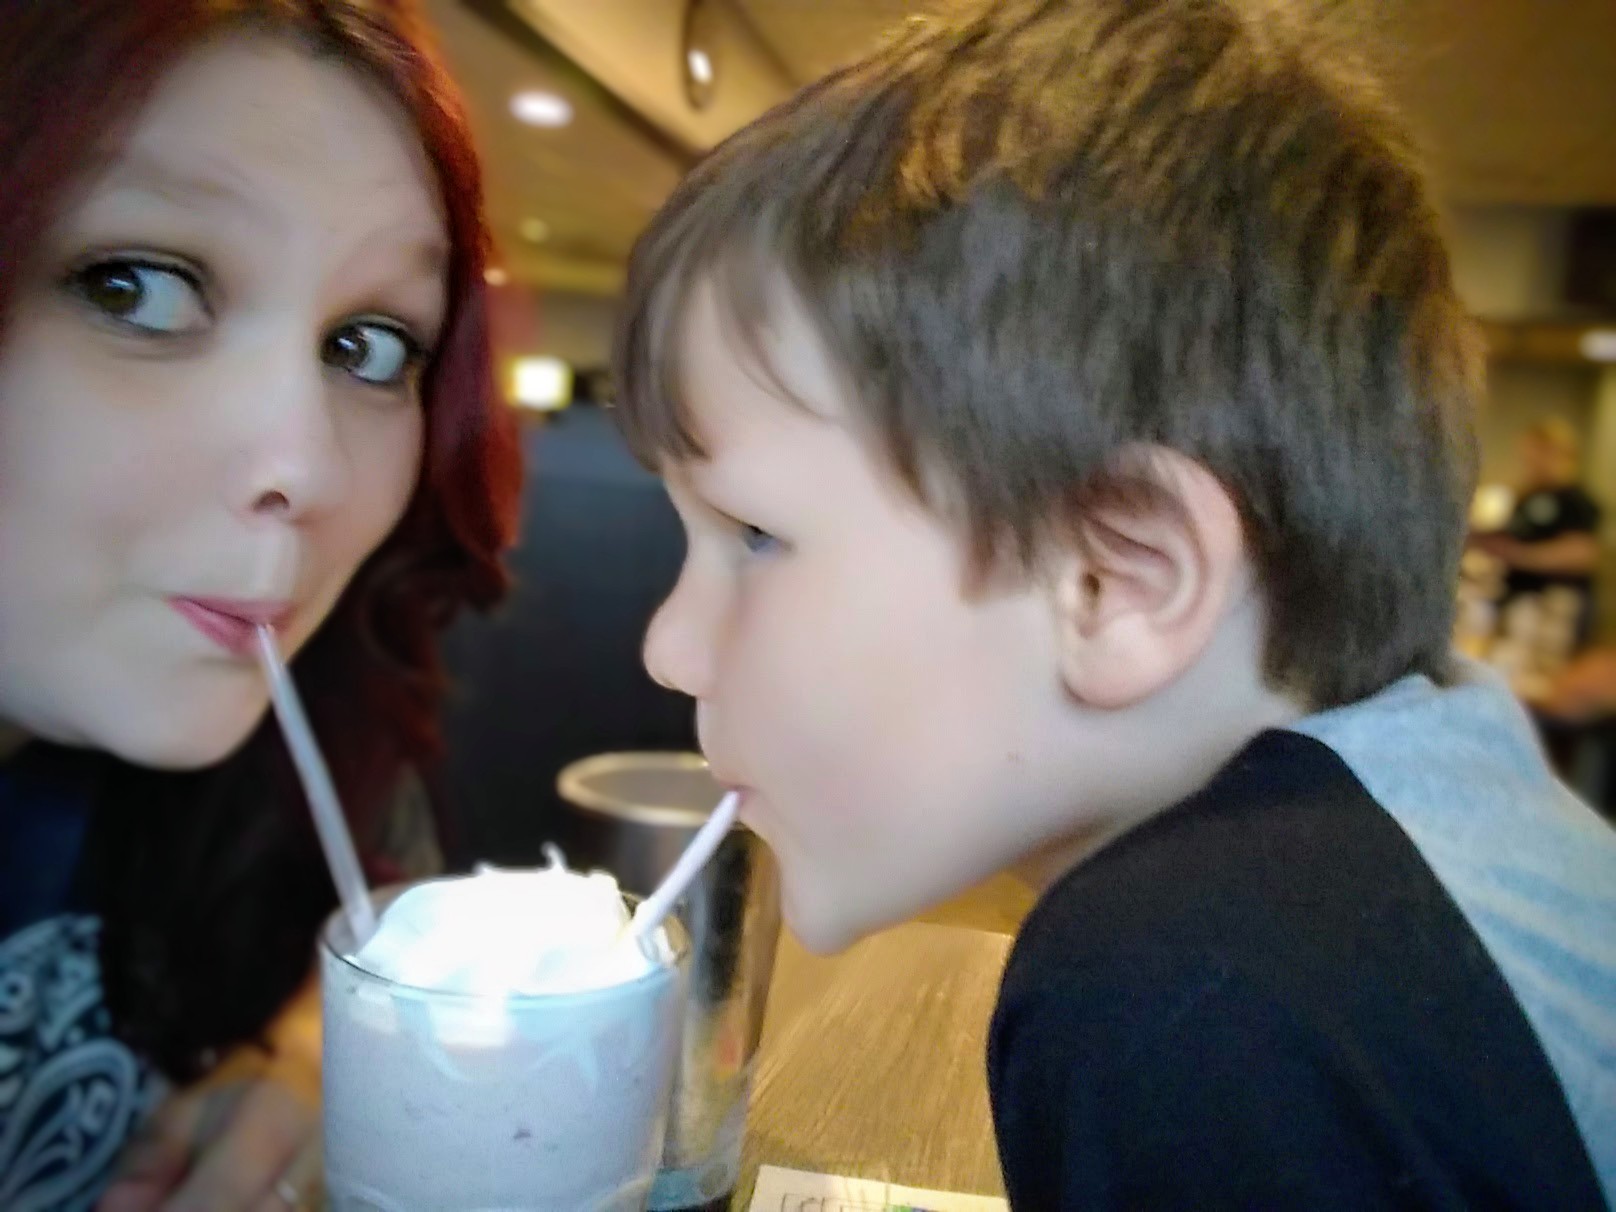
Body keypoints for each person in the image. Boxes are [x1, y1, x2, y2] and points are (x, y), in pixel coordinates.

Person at [611, 0, 1616, 1206]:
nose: (669, 647)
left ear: (1116, 580)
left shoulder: (1193, 993)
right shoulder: (1436, 810)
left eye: (754, 534)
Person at [0, 3, 520, 1209]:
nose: (310, 467)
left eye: (368, 348)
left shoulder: (315, 725)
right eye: (134, 288)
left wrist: (317, 1045)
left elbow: (383, 904)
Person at [1472, 418, 1605, 638]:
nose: (1529, 461)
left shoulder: (1576, 500)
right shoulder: (1527, 496)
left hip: (1553, 603)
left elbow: (1582, 554)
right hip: (1517, 598)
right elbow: (1516, 534)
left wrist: (1517, 555)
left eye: (1535, 453)